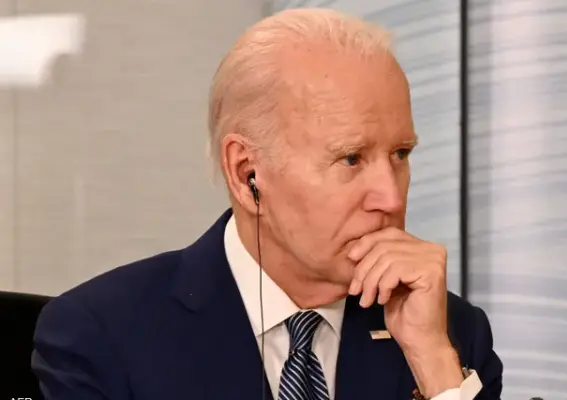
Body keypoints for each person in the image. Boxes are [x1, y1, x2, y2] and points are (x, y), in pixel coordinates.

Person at [31, 8, 503, 400]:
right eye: (351, 158)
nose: (391, 197)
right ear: (247, 174)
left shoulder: (452, 336)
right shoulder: (104, 337)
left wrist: (433, 363)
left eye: (400, 154)